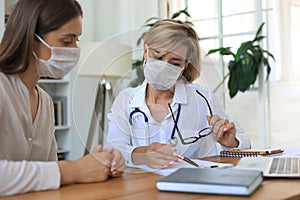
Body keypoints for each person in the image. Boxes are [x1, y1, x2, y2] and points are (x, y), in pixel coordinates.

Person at [0, 0, 125, 197]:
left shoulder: (45, 102)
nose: (74, 49)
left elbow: (47, 175)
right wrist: (75, 169)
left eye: (77, 40)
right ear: (31, 38)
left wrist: (100, 164)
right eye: (67, 41)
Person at [106, 19, 251, 169]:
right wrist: (143, 153)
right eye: (158, 56)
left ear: (184, 66)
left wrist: (232, 143)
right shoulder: (125, 100)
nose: (163, 67)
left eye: (174, 63)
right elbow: (114, 148)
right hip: (141, 186)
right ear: (145, 51)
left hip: (191, 186)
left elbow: (243, 143)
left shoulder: (203, 99)